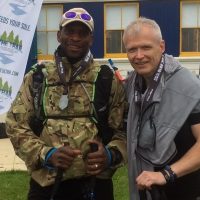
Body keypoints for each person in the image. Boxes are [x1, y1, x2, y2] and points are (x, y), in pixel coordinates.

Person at [6, 7, 127, 200]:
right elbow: (15, 125)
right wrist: (46, 154)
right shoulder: (38, 77)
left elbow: (125, 130)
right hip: (46, 185)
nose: (76, 38)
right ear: (59, 35)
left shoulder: (106, 78)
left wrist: (111, 155)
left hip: (95, 184)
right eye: (70, 31)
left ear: (91, 39)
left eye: (82, 33)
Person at [123, 17, 200, 200]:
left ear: (162, 46)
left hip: (185, 192)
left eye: (146, 47)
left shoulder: (187, 85)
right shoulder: (132, 83)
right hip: (145, 190)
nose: (139, 55)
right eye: (132, 49)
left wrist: (166, 174)